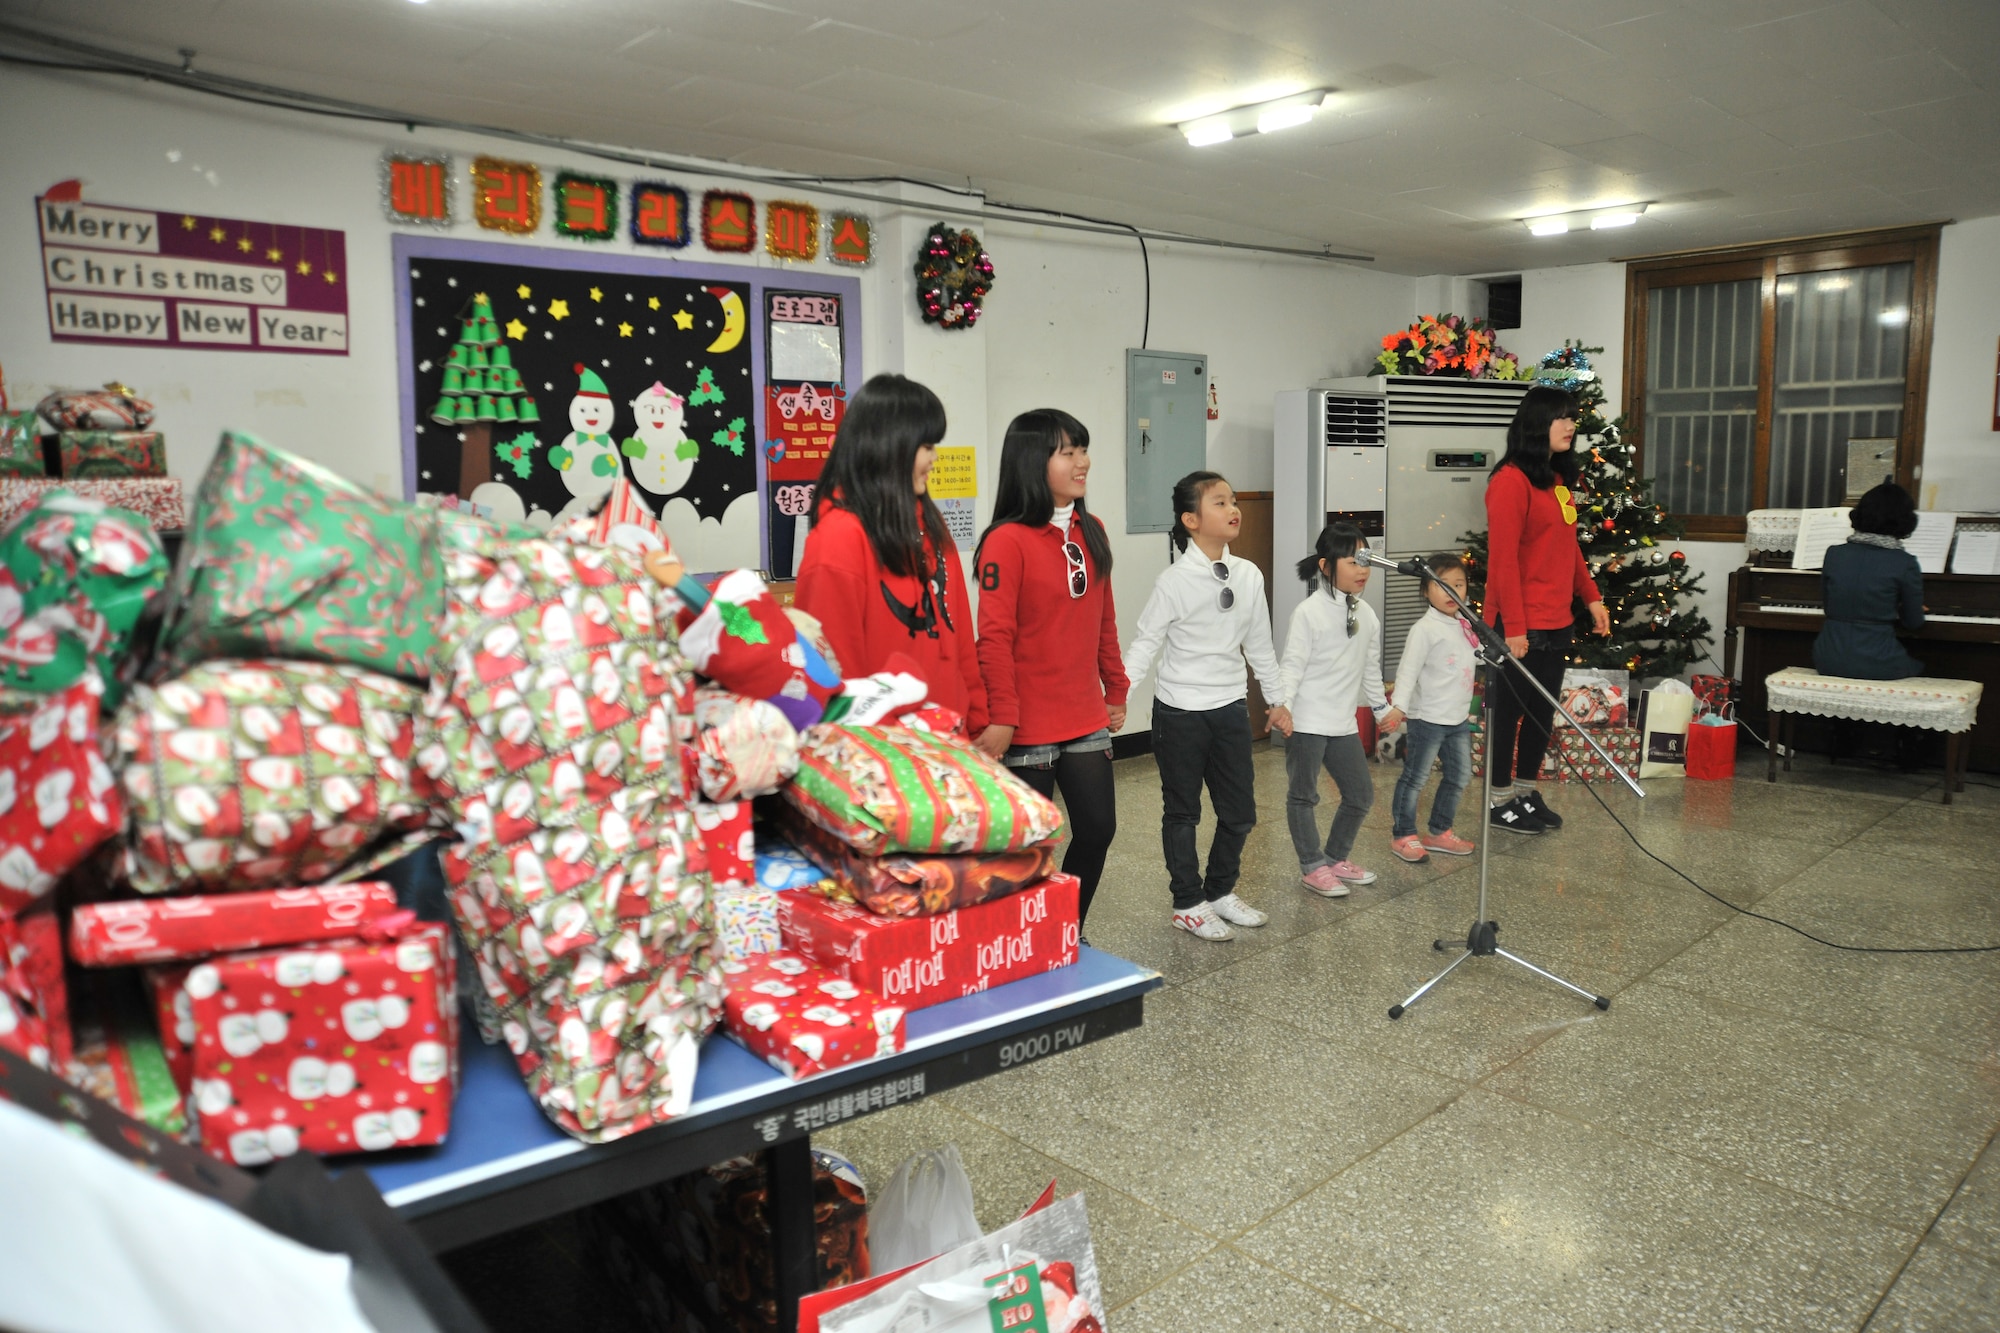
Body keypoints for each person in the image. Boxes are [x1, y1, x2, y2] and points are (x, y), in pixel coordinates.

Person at [973, 408, 1129, 934]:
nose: (1082, 461)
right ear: (1033, 462)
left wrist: (1117, 687)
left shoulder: (1093, 529)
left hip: (1084, 711)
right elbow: (994, 639)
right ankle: (1022, 939)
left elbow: (1103, 618)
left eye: (1082, 450)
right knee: (1029, 847)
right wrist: (1003, 716)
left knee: (1097, 829)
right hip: (1025, 724)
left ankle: (1065, 929)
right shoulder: (1006, 540)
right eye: (1068, 451)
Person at [1122, 471, 1290, 942]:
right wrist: (1117, 697)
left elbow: (1259, 644)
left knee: (1240, 813)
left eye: (1233, 500)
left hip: (1230, 708)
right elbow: (1145, 645)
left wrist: (1277, 700)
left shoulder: (1249, 574)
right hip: (1179, 712)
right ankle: (1187, 902)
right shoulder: (1173, 581)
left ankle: (1219, 892)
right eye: (1220, 503)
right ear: (1191, 519)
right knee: (1183, 813)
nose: (1233, 509)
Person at [795, 373, 992, 741]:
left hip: (949, 736)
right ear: (889, 446)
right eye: (926, 445)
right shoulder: (839, 538)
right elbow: (834, 669)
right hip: (883, 754)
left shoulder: (929, 524)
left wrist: (978, 716)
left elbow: (958, 631)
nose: (934, 458)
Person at [1482, 385, 1611, 835]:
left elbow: (1568, 548)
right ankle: (1498, 800)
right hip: (1519, 624)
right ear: (1536, 425)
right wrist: (1513, 629)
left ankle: (1523, 790)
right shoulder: (1509, 482)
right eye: (1560, 417)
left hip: (1557, 620)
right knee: (1509, 715)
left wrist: (1591, 596)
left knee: (1541, 712)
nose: (1571, 425)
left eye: (1572, 417)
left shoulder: (1557, 483)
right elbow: (1501, 562)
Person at [1275, 522, 1403, 896]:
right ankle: (1312, 866)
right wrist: (1282, 707)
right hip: (1306, 722)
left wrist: (1382, 711)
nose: (1363, 569)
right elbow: (1292, 665)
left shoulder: (1367, 614)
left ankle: (1334, 858)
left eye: (1365, 559)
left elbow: (1369, 668)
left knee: (1360, 795)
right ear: (1325, 566)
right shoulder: (1308, 613)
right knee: (1303, 796)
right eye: (1352, 561)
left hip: (1342, 723)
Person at [1386, 553, 1480, 864]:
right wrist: (1399, 706)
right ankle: (1403, 834)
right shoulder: (1424, 629)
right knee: (1416, 777)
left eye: (1459, 584)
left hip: (1457, 718)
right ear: (1426, 590)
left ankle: (1439, 831)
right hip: (1427, 718)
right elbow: (1408, 670)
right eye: (1442, 585)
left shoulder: (1466, 624)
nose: (1453, 591)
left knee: (1459, 775)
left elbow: (1480, 656)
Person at [1814, 482, 1925, 680]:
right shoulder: (1904, 562)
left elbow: (1828, 605)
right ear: (1905, 520)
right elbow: (1913, 622)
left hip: (1827, 657)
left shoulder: (1834, 554)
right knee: (1928, 667)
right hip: (1878, 660)